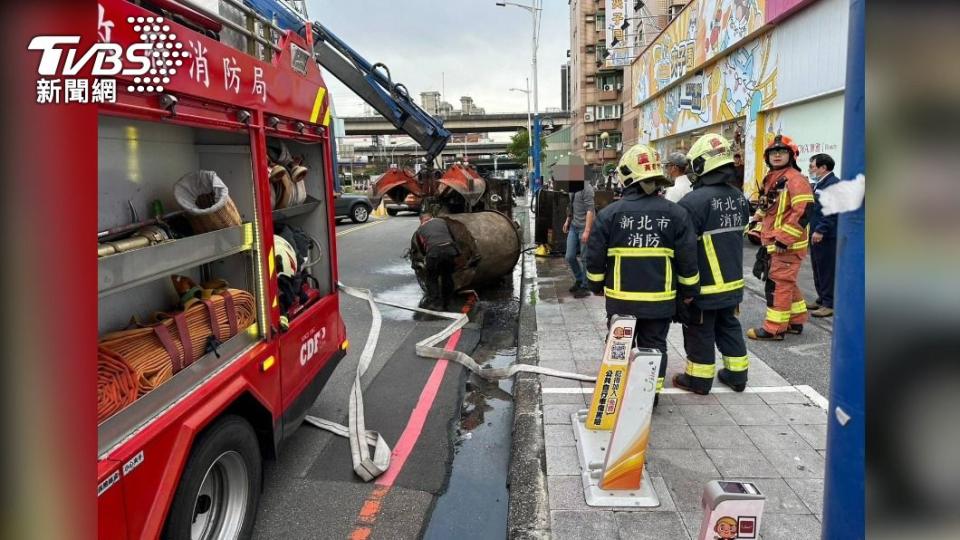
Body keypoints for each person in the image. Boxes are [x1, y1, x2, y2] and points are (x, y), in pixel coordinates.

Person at [585, 144, 700, 405]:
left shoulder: (610, 214)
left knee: (619, 345)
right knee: (655, 346)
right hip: (660, 301)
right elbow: (687, 259)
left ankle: (615, 393)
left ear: (627, 176)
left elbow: (594, 255)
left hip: (620, 300)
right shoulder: (676, 214)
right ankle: (650, 395)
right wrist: (689, 292)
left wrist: (595, 285)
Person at [672, 133, 752, 395]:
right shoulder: (739, 198)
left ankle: (699, 379)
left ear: (700, 166)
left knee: (700, 330)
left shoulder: (693, 202)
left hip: (704, 284)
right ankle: (737, 375)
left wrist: (684, 288)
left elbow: (683, 249)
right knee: (728, 326)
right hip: (732, 282)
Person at [746, 135, 815, 340]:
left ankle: (774, 328)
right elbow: (769, 207)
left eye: (782, 152)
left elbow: (803, 211)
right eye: (773, 152)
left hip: (786, 245)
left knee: (778, 285)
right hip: (775, 241)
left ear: (791, 155)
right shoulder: (773, 177)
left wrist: (784, 239)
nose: (777, 155)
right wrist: (756, 223)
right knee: (786, 282)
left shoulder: (796, 179)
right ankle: (796, 321)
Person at [807, 153, 839, 317]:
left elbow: (831, 212)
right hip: (816, 233)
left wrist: (820, 230)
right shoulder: (819, 183)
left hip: (826, 236)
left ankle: (829, 303)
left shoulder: (833, 184)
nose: (810, 169)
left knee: (826, 269)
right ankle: (821, 298)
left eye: (812, 166)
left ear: (823, 167)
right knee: (817, 267)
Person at [415, 212, 459, 310]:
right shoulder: (442, 221)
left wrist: (426, 258)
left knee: (431, 277)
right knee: (447, 276)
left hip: (434, 253)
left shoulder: (420, 230)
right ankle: (447, 301)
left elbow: (422, 248)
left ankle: (435, 302)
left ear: (422, 220)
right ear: (431, 217)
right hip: (450, 251)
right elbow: (452, 237)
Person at [562, 179, 596, 298]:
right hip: (574, 226)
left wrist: (587, 231)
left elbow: (590, 210)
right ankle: (580, 278)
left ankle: (585, 286)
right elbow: (570, 206)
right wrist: (567, 221)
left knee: (584, 257)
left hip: (584, 227)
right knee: (570, 256)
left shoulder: (587, 188)